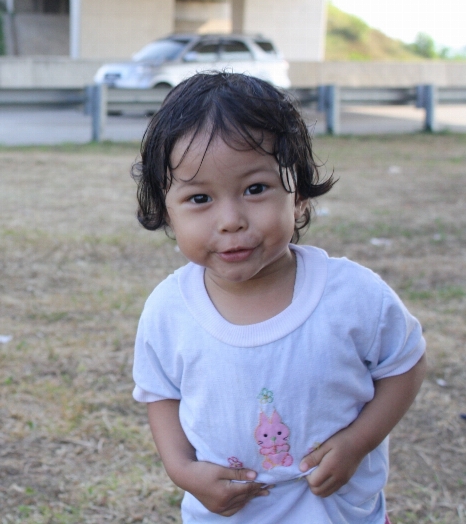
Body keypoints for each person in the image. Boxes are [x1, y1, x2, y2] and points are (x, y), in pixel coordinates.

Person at [130, 72, 427, 522]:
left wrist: (357, 442)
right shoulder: (168, 311)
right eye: (200, 198)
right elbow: (161, 395)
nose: (230, 220)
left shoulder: (351, 294)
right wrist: (182, 469)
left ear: (300, 196)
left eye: (255, 189)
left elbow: (405, 364)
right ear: (166, 210)